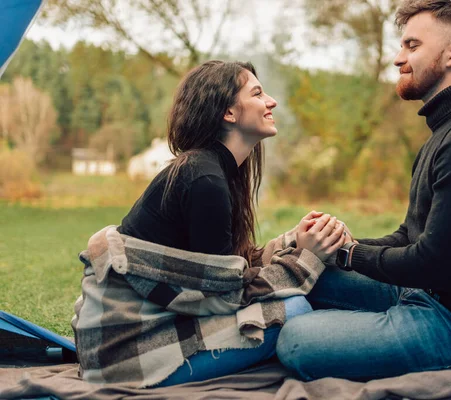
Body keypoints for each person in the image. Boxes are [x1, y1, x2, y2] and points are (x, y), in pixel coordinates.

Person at [276, 0, 451, 381]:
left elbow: (432, 263)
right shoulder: (445, 131)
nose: (398, 58)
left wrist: (350, 255)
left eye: (412, 46)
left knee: (295, 340)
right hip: (426, 295)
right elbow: (408, 236)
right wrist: (334, 247)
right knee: (308, 274)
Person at [72, 60, 345, 387]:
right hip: (125, 349)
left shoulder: (211, 171)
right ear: (229, 113)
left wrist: (293, 243)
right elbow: (223, 295)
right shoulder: (204, 179)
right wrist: (306, 259)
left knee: (291, 300)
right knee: (294, 309)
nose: (271, 101)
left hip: (138, 330)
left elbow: (222, 273)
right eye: (257, 93)